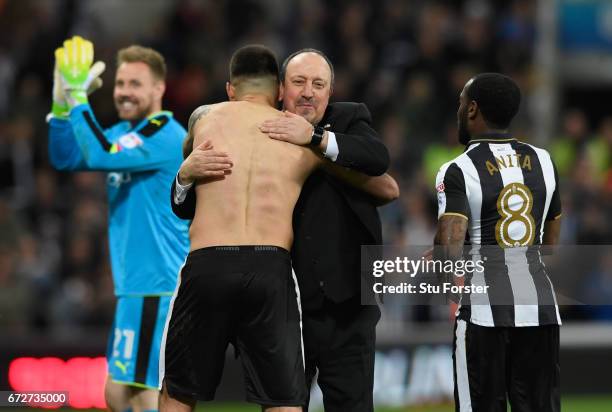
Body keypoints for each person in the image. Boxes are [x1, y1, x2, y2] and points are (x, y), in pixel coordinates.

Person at [159, 45, 397, 412]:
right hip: (284, 289)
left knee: (183, 390)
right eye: (299, 82)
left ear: (330, 93)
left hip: (344, 301)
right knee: (284, 400)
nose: (308, 91)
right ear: (280, 90)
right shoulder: (268, 133)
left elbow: (386, 180)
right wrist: (184, 176)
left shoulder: (343, 122)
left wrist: (317, 140)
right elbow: (188, 204)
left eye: (319, 84)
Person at [47, 36, 194, 412]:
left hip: (158, 285)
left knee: (142, 393)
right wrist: (61, 103)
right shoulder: (126, 136)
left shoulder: (163, 136)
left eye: (135, 84)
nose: (124, 92)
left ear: (159, 88)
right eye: (120, 83)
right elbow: (66, 158)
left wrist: (79, 96)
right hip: (136, 286)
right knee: (117, 393)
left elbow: (98, 152)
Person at [433, 73, 562, 412]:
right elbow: (551, 240)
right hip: (540, 311)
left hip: (483, 314)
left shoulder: (458, 169)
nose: (459, 109)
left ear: (473, 109)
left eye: (462, 103)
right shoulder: (545, 161)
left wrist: (446, 280)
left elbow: (451, 243)